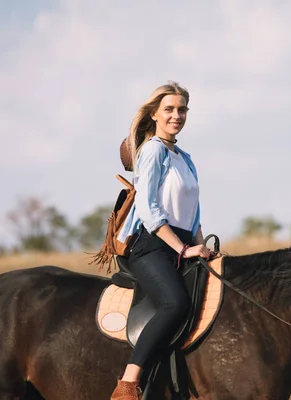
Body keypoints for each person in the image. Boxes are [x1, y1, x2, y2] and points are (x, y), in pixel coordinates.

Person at [111, 81, 211, 400]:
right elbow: (149, 208)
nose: (176, 115)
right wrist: (181, 247)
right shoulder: (153, 150)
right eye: (169, 109)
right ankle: (127, 383)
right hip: (152, 246)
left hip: (183, 246)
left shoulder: (186, 157)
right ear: (155, 114)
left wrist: (201, 247)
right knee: (176, 303)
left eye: (182, 109)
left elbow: (192, 213)